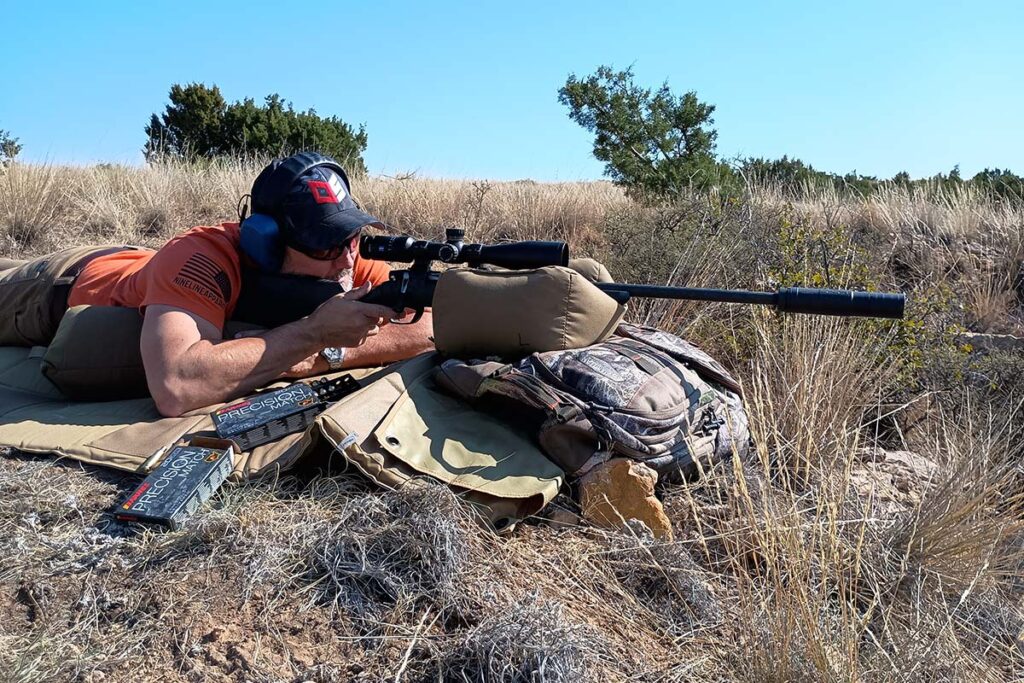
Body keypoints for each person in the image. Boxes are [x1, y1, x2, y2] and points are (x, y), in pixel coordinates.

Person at [0, 152, 434, 417]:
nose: (346, 259)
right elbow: (176, 387)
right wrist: (315, 332)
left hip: (141, 263)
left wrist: (323, 354)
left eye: (351, 237)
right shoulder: (201, 257)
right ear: (264, 242)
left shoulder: (344, 256)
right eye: (323, 246)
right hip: (53, 285)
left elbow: (430, 326)